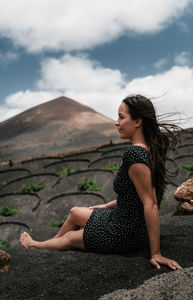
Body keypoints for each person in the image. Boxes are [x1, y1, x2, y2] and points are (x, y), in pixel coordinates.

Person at [20, 94, 182, 270]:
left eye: (121, 117)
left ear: (138, 122)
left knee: (69, 239)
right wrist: (107, 206)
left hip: (124, 233)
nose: (116, 122)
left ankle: (36, 246)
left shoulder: (134, 154)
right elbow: (134, 196)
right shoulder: (148, 150)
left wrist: (156, 253)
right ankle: (50, 244)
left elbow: (150, 202)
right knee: (74, 212)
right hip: (123, 219)